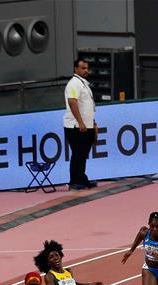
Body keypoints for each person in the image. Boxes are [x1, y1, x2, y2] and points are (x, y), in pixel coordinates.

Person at [64, 59, 98, 190]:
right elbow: (73, 102)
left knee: (83, 154)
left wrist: (91, 122)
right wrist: (80, 122)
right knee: (78, 153)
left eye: (87, 68)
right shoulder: (74, 84)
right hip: (76, 126)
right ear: (75, 69)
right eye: (83, 68)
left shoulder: (83, 84)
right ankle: (74, 181)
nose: (86, 71)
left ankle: (82, 179)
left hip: (86, 125)